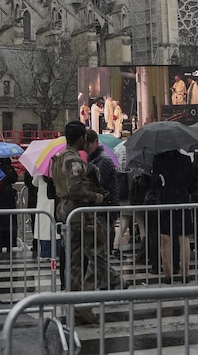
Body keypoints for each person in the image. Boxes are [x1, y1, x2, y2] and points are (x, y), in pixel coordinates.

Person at [52, 121, 115, 321]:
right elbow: (76, 190)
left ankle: (76, 302)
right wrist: (97, 198)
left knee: (74, 260)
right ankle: (85, 299)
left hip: (68, 212)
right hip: (81, 214)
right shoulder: (73, 159)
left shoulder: (60, 157)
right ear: (80, 138)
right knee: (99, 255)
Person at [154, 148, 194, 284]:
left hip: (166, 200)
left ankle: (168, 274)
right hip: (182, 200)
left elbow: (155, 182)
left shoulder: (158, 160)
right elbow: (191, 181)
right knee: (184, 238)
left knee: (165, 238)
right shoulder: (186, 160)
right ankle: (185, 273)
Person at [84, 130, 121, 252]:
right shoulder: (94, 159)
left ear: (95, 142)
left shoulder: (102, 160)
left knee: (102, 250)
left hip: (105, 209)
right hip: (102, 209)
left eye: (88, 144)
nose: (86, 148)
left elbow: (98, 184)